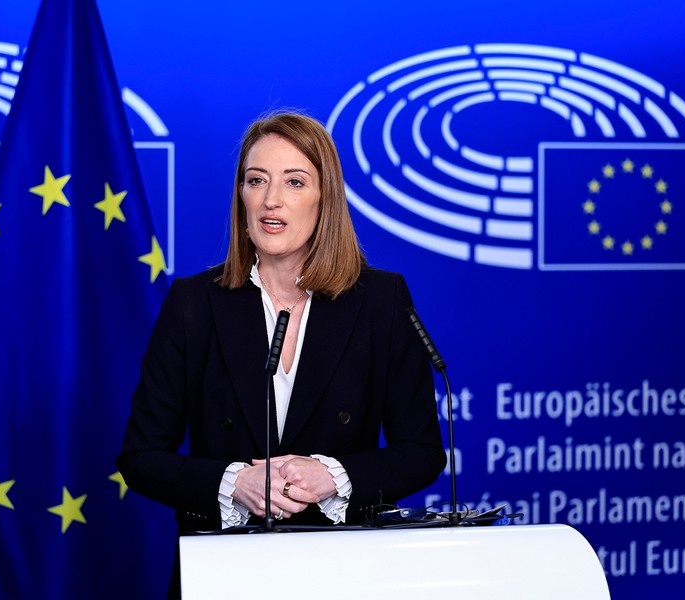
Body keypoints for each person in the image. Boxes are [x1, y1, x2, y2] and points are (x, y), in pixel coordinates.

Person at [117, 111, 446, 594]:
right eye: (257, 180)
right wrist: (234, 483)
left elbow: (422, 452)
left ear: (325, 197)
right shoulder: (193, 302)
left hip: (343, 571)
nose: (271, 199)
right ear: (241, 195)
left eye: (294, 181)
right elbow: (140, 457)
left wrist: (334, 476)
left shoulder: (381, 300)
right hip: (224, 573)